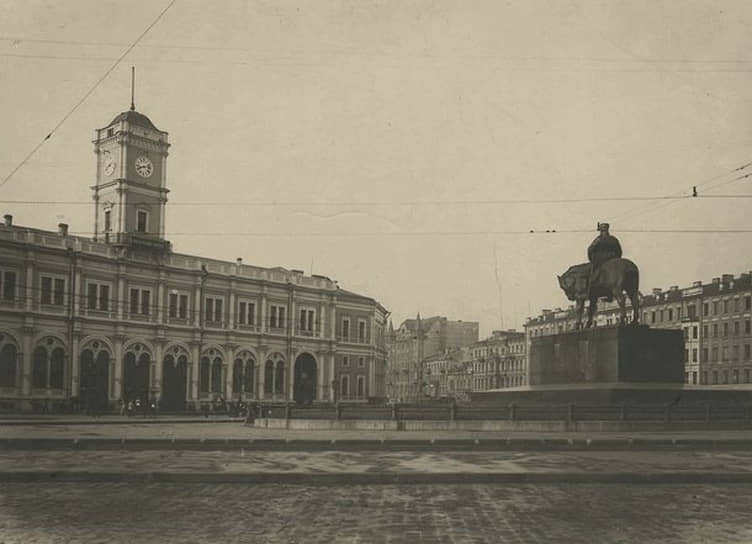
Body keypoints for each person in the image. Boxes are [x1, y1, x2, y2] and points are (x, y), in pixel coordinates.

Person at [587, 222, 622, 297]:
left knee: (593, 275)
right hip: (614, 258)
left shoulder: (598, 239)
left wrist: (592, 259)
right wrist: (617, 258)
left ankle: (593, 287)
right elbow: (619, 251)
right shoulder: (614, 239)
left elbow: (590, 249)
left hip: (601, 260)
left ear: (601, 230)